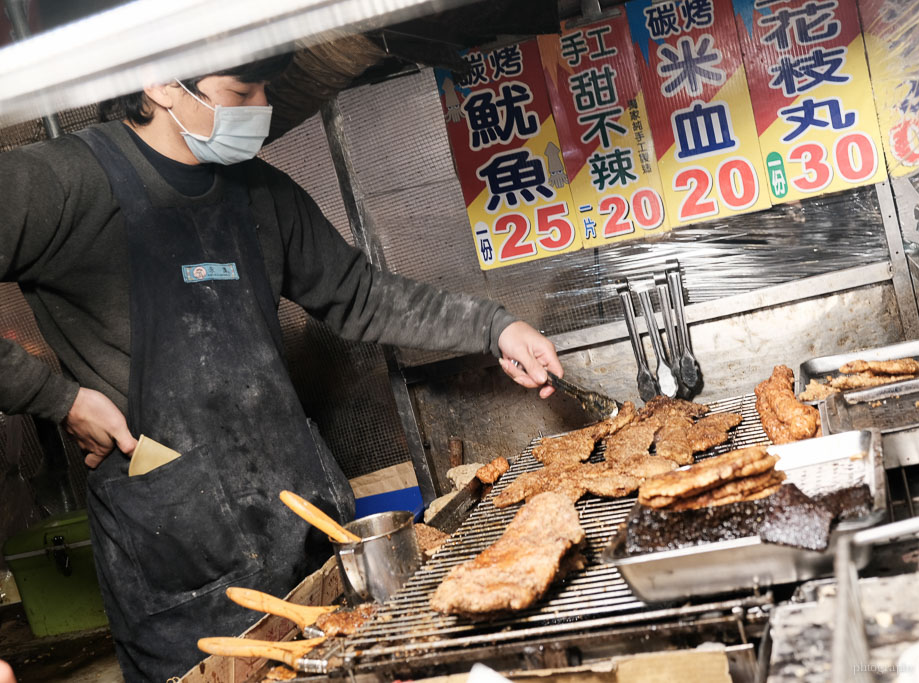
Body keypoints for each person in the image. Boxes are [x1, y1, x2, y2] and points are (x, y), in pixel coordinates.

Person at [0, 53, 562, 682]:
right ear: (159, 83)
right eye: (241, 91)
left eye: (266, 89)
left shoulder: (259, 192)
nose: (260, 108)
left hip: (303, 526)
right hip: (178, 557)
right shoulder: (67, 181)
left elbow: (360, 295)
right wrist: (57, 398)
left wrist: (495, 326)